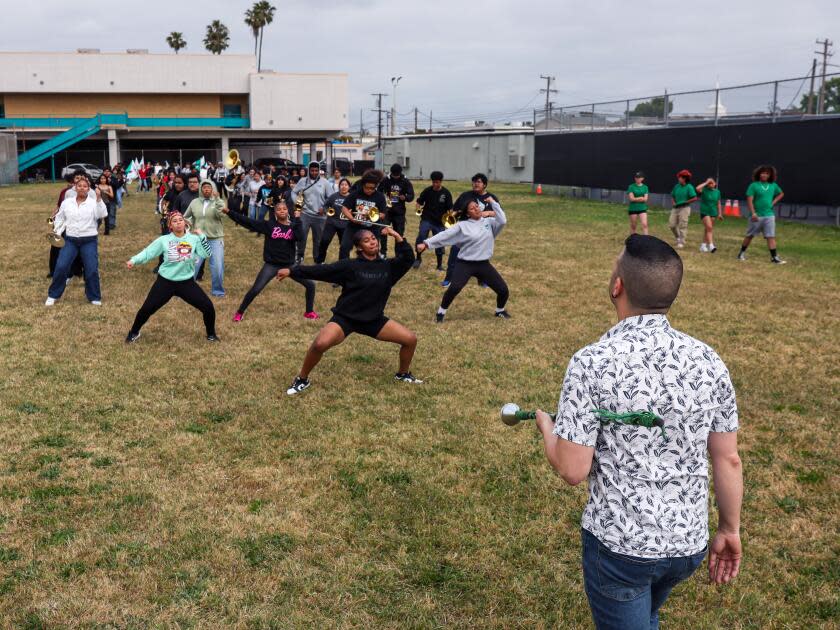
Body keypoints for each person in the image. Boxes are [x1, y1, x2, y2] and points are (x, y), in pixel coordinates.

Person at [533, 234, 743, 630]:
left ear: (617, 286)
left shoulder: (590, 362)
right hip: (688, 545)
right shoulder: (709, 360)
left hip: (620, 549)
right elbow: (727, 456)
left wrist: (549, 429)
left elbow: (572, 469)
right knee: (645, 614)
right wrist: (729, 529)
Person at [278, 228, 421, 395]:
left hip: (373, 320)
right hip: (346, 318)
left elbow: (408, 259)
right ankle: (302, 379)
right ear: (359, 247)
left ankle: (403, 374)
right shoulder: (349, 266)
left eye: (373, 238)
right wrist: (292, 271)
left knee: (410, 339)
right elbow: (322, 271)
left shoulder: (388, 267)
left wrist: (398, 237)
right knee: (319, 344)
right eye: (366, 241)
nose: (372, 242)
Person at [125, 212, 218, 342]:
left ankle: (211, 335)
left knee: (208, 307)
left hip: (186, 283)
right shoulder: (164, 240)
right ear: (170, 226)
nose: (178, 222)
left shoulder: (193, 239)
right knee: (146, 309)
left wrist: (202, 235)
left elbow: (207, 253)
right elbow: (148, 252)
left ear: (185, 223)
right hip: (165, 282)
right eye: (174, 221)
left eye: (181, 220)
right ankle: (134, 332)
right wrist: (134, 260)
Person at [418, 197, 509, 322]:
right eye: (472, 208)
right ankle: (440, 313)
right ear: (468, 213)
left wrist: (493, 203)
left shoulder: (490, 223)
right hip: (465, 264)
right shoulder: (463, 225)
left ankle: (500, 311)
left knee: (503, 290)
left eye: (476, 206)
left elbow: (502, 220)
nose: (476, 209)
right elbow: (445, 235)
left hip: (483, 264)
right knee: (454, 288)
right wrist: (426, 243)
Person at [225, 198, 318, 321]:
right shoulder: (269, 225)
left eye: (284, 209)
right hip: (271, 265)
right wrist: (229, 212)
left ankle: (309, 312)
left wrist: (297, 218)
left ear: (288, 211)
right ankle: (239, 312)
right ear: (275, 213)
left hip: (289, 265)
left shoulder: (293, 226)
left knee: (310, 285)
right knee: (256, 289)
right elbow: (248, 222)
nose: (282, 211)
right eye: (279, 209)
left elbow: (300, 237)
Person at [46, 177, 108, 306]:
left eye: (85, 186)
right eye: (79, 186)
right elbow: (60, 217)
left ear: (88, 188)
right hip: (70, 240)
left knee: (91, 269)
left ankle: (94, 296)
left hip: (89, 240)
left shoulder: (93, 202)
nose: (82, 188)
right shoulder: (67, 202)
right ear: (75, 187)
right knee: (61, 266)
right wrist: (57, 232)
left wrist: (99, 198)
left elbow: (102, 214)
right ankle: (53, 295)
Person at [443, 173, 501, 287]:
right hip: (465, 229)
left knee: (481, 258)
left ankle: (483, 280)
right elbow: (455, 210)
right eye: (474, 182)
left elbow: (499, 213)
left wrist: (488, 212)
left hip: (482, 232)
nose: (475, 184)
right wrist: (450, 219)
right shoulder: (466, 195)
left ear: (484, 184)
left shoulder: (491, 198)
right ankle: (449, 278)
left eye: (478, 182)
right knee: (454, 253)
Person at [184, 180, 227, 297]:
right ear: (201, 190)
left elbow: (222, 215)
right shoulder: (194, 202)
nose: (207, 189)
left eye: (209, 187)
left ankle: (218, 291)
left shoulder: (219, 202)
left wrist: (217, 200)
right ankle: (186, 290)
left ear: (213, 189)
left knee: (217, 266)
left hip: (215, 239)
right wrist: (188, 224)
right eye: (204, 187)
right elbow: (186, 217)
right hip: (198, 239)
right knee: (193, 265)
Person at [738, 165, 785, 264]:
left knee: (770, 236)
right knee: (750, 235)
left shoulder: (773, 185)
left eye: (767, 173)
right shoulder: (754, 185)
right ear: (759, 174)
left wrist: (773, 202)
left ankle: (774, 257)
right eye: (762, 173)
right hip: (756, 216)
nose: (764, 175)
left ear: (770, 175)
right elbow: (749, 200)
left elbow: (781, 194)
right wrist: (753, 213)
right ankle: (741, 253)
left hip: (769, 215)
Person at [338, 171, 388, 260]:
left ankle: (372, 269)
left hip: (372, 228)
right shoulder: (355, 194)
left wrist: (372, 215)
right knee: (344, 247)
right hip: (354, 226)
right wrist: (352, 219)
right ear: (363, 185)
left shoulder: (380, 196)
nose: (369, 190)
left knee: (373, 250)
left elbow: (383, 214)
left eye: (372, 188)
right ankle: (342, 267)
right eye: (367, 188)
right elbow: (344, 208)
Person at [291, 162, 332, 263]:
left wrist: (325, 208)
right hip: (305, 214)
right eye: (312, 170)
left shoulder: (324, 182)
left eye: (316, 170)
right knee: (301, 236)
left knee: (318, 239)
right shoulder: (303, 181)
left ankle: (317, 259)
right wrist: (298, 204)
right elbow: (293, 192)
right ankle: (299, 257)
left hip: (320, 216)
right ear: (308, 170)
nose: (314, 172)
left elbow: (331, 198)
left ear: (319, 171)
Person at [413, 171, 453, 270]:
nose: (435, 184)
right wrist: (418, 211)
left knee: (439, 241)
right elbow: (419, 202)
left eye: (437, 182)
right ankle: (418, 258)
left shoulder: (446, 193)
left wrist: (449, 218)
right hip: (427, 219)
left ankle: (439, 265)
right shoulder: (427, 191)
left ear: (441, 182)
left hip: (439, 222)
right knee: (422, 236)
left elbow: (450, 209)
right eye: (434, 182)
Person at [377, 163, 415, 255]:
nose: (395, 177)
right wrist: (384, 197)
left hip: (399, 212)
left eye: (397, 176)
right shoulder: (386, 180)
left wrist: (405, 197)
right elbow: (378, 192)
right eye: (394, 175)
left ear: (400, 173)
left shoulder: (405, 181)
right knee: (383, 231)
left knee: (399, 234)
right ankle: (383, 253)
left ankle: (398, 255)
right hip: (386, 211)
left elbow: (411, 196)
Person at [316, 177, 351, 263]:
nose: (344, 186)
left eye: (346, 185)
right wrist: (326, 210)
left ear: (349, 187)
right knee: (324, 241)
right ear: (339, 186)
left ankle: (343, 263)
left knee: (344, 246)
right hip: (332, 223)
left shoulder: (352, 197)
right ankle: (320, 261)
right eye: (342, 184)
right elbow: (325, 206)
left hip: (345, 224)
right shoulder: (333, 196)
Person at [669, 169, 697, 249]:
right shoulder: (677, 186)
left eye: (680, 177)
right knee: (672, 225)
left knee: (682, 225)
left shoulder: (689, 187)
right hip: (675, 208)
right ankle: (678, 237)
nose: (678, 179)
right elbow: (673, 195)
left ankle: (681, 242)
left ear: (684, 178)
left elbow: (694, 198)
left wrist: (685, 202)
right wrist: (674, 202)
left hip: (685, 208)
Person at [695, 177, 723, 253]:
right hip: (705, 211)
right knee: (709, 227)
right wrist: (706, 182)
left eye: (712, 182)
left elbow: (718, 203)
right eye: (709, 183)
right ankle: (711, 245)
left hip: (713, 212)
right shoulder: (704, 190)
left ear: (715, 184)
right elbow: (697, 188)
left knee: (707, 229)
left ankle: (703, 245)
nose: (711, 184)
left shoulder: (717, 192)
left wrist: (720, 213)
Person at [626, 171, 649, 235]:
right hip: (633, 208)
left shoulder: (645, 187)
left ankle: (646, 239)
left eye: (639, 178)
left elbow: (645, 199)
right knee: (633, 225)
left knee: (645, 224)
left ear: (642, 178)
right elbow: (631, 199)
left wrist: (637, 199)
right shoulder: (631, 187)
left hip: (642, 208)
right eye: (636, 177)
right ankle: (632, 239)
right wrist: (640, 198)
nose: (637, 179)